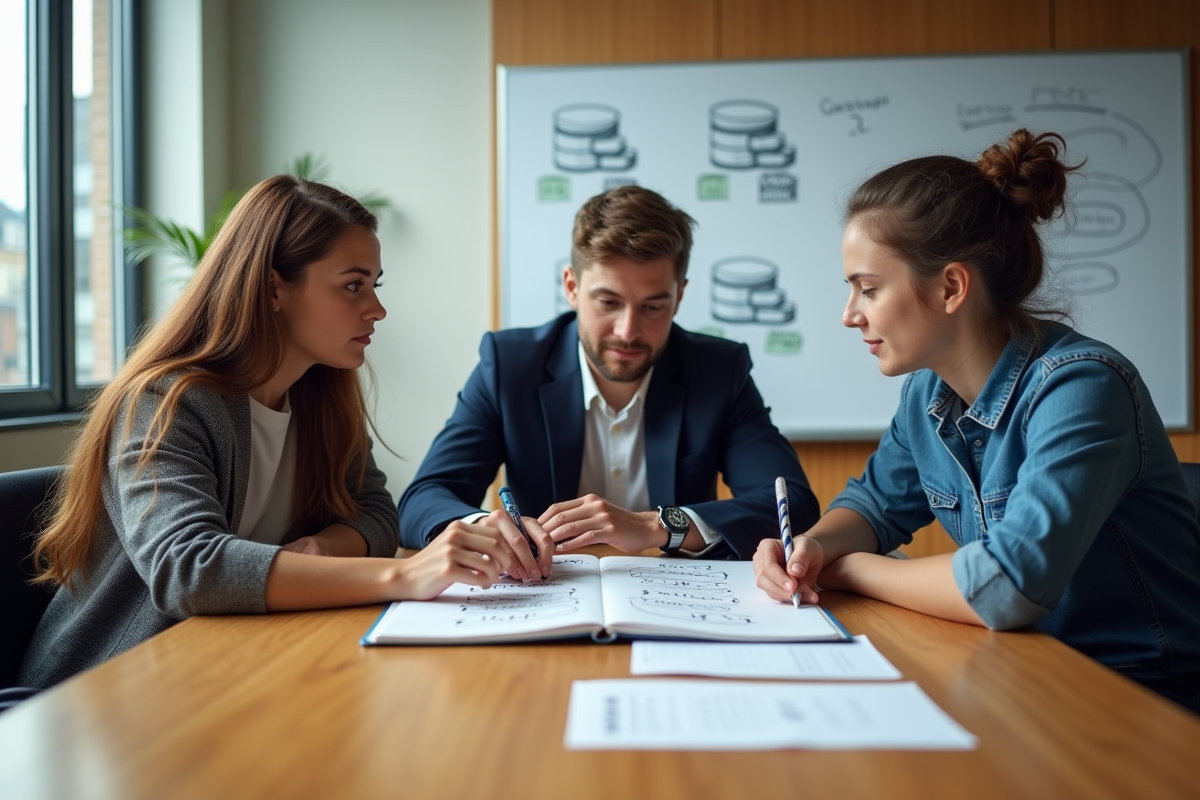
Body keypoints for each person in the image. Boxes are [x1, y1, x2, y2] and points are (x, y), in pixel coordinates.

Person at [754, 129, 1200, 712]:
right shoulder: (925, 394)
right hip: (1027, 669)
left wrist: (853, 570)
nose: (849, 315)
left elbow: (1008, 585)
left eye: (868, 289)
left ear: (951, 287)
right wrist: (812, 548)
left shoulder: (1083, 387)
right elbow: (874, 507)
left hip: (1139, 690)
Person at [20, 177, 523, 689]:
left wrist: (323, 551)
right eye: (353, 285)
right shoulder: (165, 401)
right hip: (109, 690)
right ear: (273, 288)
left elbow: (376, 517)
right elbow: (189, 568)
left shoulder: (320, 396)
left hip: (232, 666)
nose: (377, 308)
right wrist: (406, 575)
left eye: (375, 285)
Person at [399, 185, 818, 574]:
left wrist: (657, 526)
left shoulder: (718, 370)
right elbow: (423, 498)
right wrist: (484, 528)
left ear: (679, 297)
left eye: (653, 307)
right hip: (545, 594)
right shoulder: (510, 366)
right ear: (571, 287)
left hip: (677, 601)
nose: (628, 331)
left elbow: (792, 504)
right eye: (608, 302)